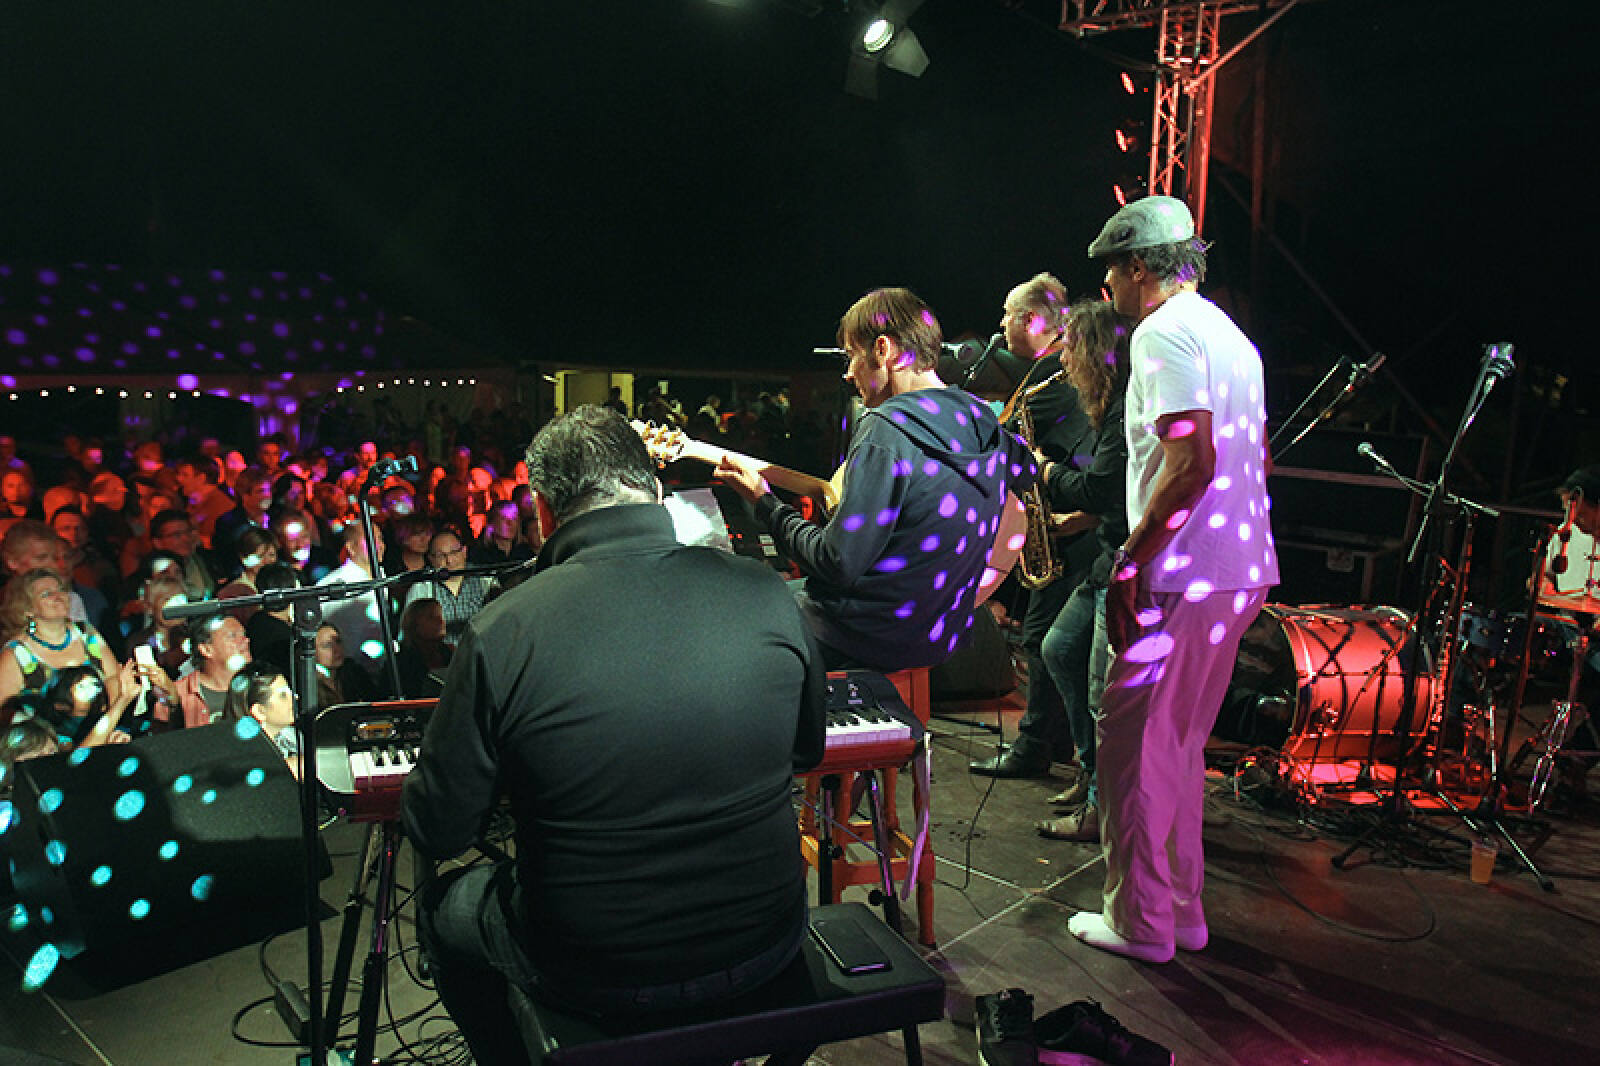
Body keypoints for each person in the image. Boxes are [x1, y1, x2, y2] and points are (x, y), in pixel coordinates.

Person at [403, 406, 824, 1065]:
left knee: (439, 911)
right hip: (763, 940)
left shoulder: (503, 630)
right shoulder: (766, 592)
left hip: (594, 968)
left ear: (544, 512)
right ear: (655, 489)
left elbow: (441, 830)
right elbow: (806, 750)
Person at [1065, 195, 1279, 964]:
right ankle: (1181, 911)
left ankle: (1139, 921)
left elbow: (1191, 464)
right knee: (1178, 745)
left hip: (1178, 573)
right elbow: (1252, 458)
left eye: (1109, 271)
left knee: (1130, 746)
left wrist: (1131, 560)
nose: (1104, 289)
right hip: (1235, 573)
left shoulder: (1161, 333)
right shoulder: (1232, 338)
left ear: (1135, 267)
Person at [717, 287, 1031, 671]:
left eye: (852, 356)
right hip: (939, 631)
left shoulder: (886, 427)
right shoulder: (982, 417)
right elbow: (1027, 473)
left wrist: (764, 502)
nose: (849, 373)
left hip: (862, 632)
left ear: (883, 349)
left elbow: (836, 562)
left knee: (734, 613)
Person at [969, 273, 1098, 779]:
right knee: (1052, 640)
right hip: (1066, 523)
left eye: (1007, 315)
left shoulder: (1054, 375)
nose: (1001, 325)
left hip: (1070, 530)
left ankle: (1035, 746)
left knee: (1043, 637)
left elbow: (1005, 438)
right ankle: (1057, 741)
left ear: (1030, 320)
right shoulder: (1055, 370)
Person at [1034, 300, 1133, 842]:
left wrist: (1045, 472)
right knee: (1058, 649)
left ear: (1093, 350)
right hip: (1105, 552)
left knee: (1101, 694)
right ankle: (1088, 770)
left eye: (1069, 347)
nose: (1062, 358)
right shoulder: (1107, 405)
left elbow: (1101, 487)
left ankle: (1098, 807)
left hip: (1122, 560)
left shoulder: (1122, 409)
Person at [316, 522, 390, 688]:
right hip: (350, 675)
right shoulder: (335, 584)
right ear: (351, 547)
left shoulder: (383, 577)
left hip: (383, 669)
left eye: (380, 539)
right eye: (371, 539)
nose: (379, 545)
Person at [402, 529, 493, 643]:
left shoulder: (485, 581)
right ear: (431, 558)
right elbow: (408, 633)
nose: (449, 560)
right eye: (441, 555)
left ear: (464, 551)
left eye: (454, 552)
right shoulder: (422, 588)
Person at [168, 613, 253, 729]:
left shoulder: (260, 687)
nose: (246, 640)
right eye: (233, 636)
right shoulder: (177, 694)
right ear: (206, 649)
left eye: (244, 634)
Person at [224, 661, 300, 774]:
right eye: (283, 695)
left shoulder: (292, 736)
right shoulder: (239, 754)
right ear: (259, 711)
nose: (296, 697)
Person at [396, 597, 453, 699]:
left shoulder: (453, 655)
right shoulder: (399, 664)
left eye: (441, 616)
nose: (441, 621)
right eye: (432, 617)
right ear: (414, 624)